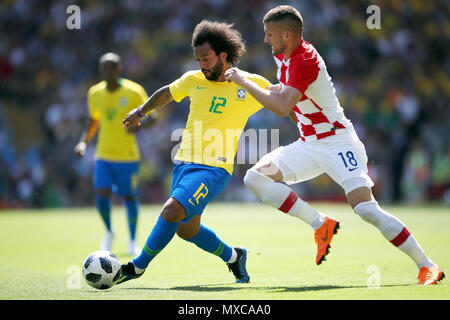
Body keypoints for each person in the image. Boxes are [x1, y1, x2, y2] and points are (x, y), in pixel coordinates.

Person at [224, 5, 445, 285]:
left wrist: (245, 81)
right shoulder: (284, 56)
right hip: (310, 143)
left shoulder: (304, 59)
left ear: (287, 35)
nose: (266, 40)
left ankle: (427, 265)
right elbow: (284, 93)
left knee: (365, 209)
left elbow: (282, 106)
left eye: (270, 34)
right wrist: (251, 87)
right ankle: (320, 224)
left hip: (338, 142)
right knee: (255, 177)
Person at [117, 20, 272, 284]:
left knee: (171, 211)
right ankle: (234, 257)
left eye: (206, 58)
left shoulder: (249, 83)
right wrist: (141, 111)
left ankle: (137, 267)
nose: (202, 64)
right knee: (187, 230)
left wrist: (312, 130)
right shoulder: (193, 80)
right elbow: (167, 93)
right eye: (198, 59)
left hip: (214, 168)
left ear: (223, 54)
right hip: (183, 165)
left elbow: (282, 101)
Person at [75, 52, 152, 256]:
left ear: (120, 69)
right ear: (101, 70)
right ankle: (109, 232)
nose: (109, 71)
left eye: (113, 67)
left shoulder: (134, 91)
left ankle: (133, 240)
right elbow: (93, 121)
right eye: (105, 67)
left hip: (127, 156)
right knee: (101, 195)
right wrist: (83, 142)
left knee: (129, 198)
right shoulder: (95, 93)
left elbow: (153, 117)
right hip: (103, 155)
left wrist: (138, 126)